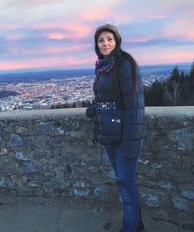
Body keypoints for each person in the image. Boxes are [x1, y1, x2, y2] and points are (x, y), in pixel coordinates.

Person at [86, 24, 146, 232]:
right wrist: (96, 108)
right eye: (101, 40)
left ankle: (130, 228)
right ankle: (137, 225)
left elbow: (134, 106)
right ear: (97, 45)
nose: (105, 43)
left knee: (125, 183)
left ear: (117, 41)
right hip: (110, 131)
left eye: (109, 39)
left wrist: (131, 142)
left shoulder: (124, 64)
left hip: (125, 135)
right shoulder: (103, 65)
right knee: (125, 183)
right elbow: (110, 96)